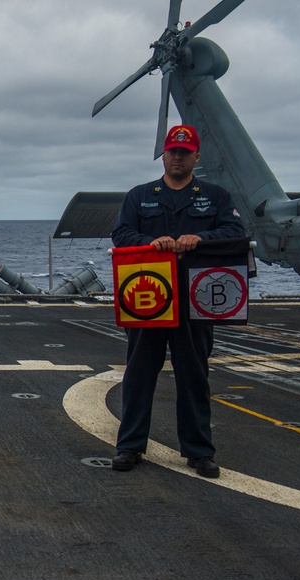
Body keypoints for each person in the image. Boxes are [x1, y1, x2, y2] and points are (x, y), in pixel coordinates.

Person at [110, 124, 245, 478]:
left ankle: (199, 451)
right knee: (139, 374)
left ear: (196, 157)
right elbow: (122, 234)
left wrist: (199, 238)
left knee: (194, 376)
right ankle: (129, 446)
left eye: (185, 153)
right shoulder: (139, 196)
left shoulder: (216, 197)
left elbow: (234, 233)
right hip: (148, 297)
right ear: (164, 155)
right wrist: (152, 242)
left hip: (193, 300)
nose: (177, 158)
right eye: (172, 152)